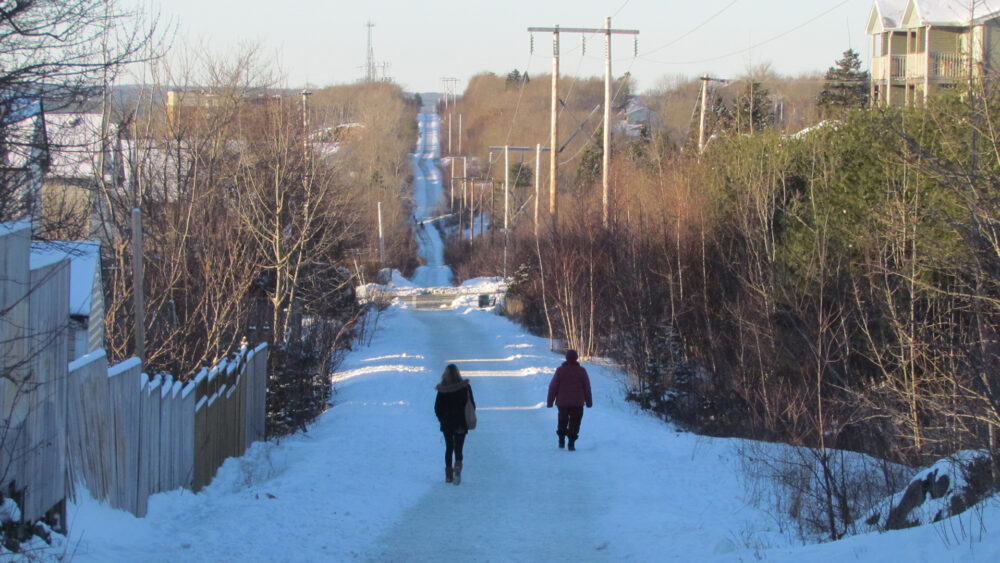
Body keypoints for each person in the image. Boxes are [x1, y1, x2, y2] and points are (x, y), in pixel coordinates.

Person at [434, 364, 475, 484]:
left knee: (449, 448)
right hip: (461, 422)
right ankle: (457, 468)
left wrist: (442, 419)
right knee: (459, 448)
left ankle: (448, 475)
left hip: (447, 423)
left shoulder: (442, 389)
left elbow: (437, 408)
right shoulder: (465, 387)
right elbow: (471, 404)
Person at [546, 349, 592, 451]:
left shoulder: (560, 370)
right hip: (577, 403)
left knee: (562, 421)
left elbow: (553, 387)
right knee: (575, 423)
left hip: (562, 403)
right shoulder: (582, 371)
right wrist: (589, 402)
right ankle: (571, 443)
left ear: (566, 358)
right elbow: (587, 387)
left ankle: (561, 440)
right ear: (576, 358)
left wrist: (550, 402)